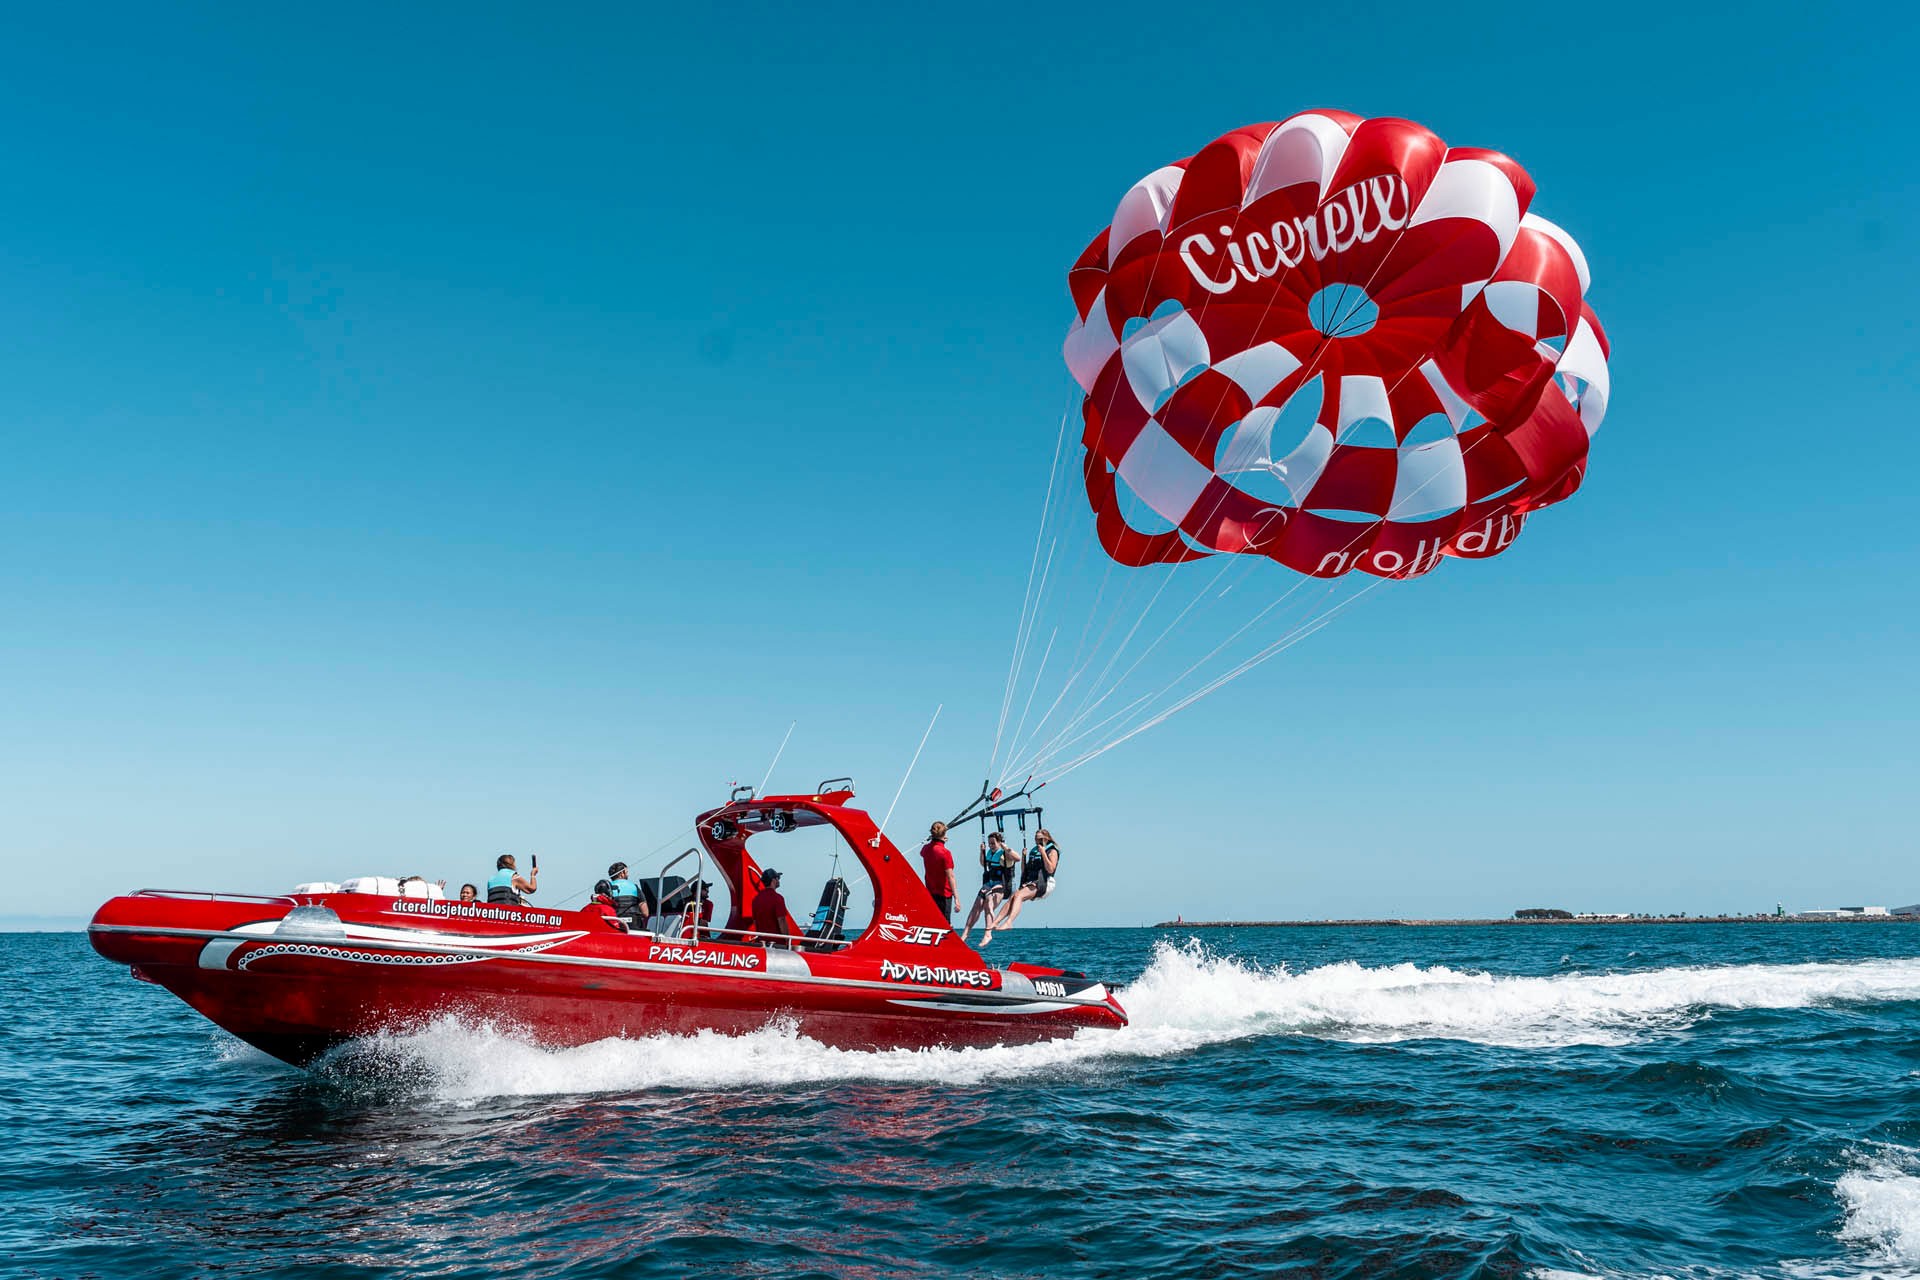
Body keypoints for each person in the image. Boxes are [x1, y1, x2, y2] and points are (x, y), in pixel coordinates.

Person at [981, 829, 1059, 945]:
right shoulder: (1035, 850)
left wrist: (1043, 852)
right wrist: (1024, 857)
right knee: (1013, 897)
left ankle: (1009, 922)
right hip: (1033, 882)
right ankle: (995, 922)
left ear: (1047, 839)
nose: (1038, 841)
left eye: (1041, 839)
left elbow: (1051, 869)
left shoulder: (1052, 851)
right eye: (1036, 839)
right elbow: (1024, 871)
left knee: (1018, 895)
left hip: (1045, 883)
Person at [960, 831, 1016, 943]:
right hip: (989, 883)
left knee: (988, 905)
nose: (991, 846)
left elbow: (1017, 858)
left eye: (993, 843)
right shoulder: (990, 852)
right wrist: (982, 851)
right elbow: (984, 864)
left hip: (1002, 885)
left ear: (1000, 843)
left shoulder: (1004, 854)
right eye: (990, 843)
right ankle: (965, 934)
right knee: (976, 906)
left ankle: (988, 934)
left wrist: (1007, 848)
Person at [919, 821, 957, 921]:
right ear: (944, 834)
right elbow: (950, 877)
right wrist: (956, 898)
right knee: (944, 922)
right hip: (944, 894)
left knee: (934, 921)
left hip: (930, 891)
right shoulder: (945, 853)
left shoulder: (925, 849)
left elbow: (923, 852)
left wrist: (937, 841)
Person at [751, 868, 791, 947]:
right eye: (778, 878)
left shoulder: (756, 899)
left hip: (761, 943)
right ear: (773, 880)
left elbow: (755, 922)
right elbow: (782, 921)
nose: (779, 880)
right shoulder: (778, 898)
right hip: (776, 944)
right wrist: (787, 939)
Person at [606, 862, 652, 926]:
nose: (628, 875)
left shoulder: (606, 888)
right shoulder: (634, 887)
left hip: (614, 926)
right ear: (621, 874)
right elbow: (645, 913)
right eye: (627, 872)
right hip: (634, 926)